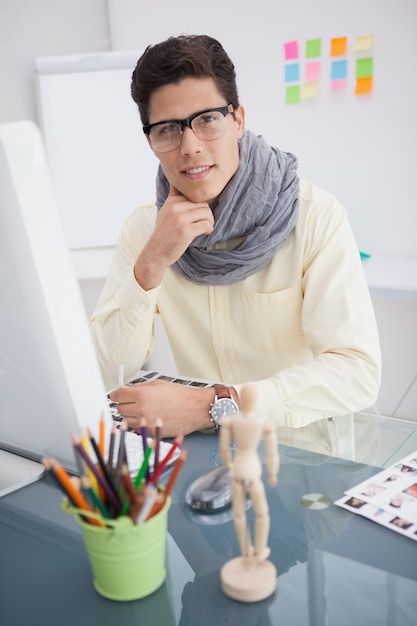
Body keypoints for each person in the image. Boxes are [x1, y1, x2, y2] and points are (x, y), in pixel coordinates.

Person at [90, 34, 381, 438]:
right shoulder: (144, 229)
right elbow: (104, 370)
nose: (189, 147)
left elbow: (357, 372)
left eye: (207, 120)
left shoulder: (314, 216)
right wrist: (152, 262)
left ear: (238, 119)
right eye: (168, 129)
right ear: (151, 141)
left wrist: (212, 405)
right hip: (205, 459)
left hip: (303, 456)